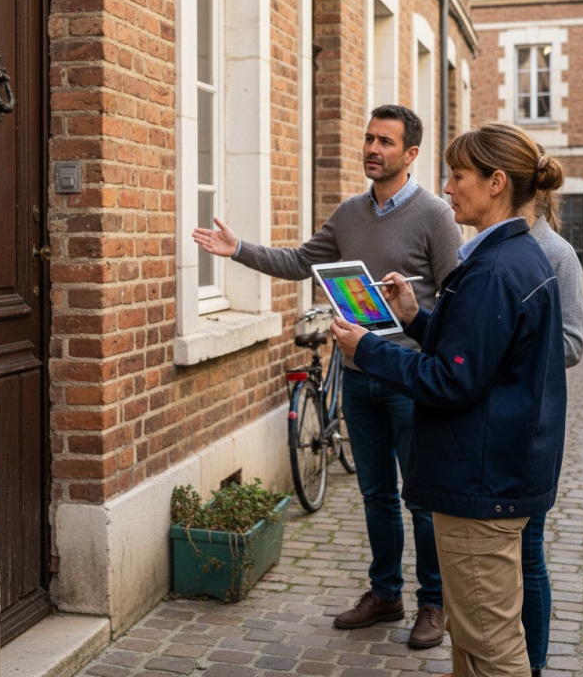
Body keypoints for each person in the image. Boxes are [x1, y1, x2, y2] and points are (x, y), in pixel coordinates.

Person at [192, 105, 463, 647]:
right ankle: (386, 593)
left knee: (423, 497)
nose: (372, 149)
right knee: (376, 493)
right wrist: (237, 249)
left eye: (385, 141)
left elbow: (455, 299)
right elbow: (300, 262)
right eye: (368, 139)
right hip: (360, 376)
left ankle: (434, 604)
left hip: (412, 381)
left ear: (410, 154)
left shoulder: (436, 216)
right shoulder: (349, 215)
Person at [332, 122, 568, 677]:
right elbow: (477, 356)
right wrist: (416, 319)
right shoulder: (511, 259)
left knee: (490, 646)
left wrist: (368, 348)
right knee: (471, 639)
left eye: (458, 175)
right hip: (491, 475)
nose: (448, 186)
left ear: (496, 182)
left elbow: (450, 380)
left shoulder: (495, 270)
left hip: (479, 485)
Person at [520, 178, 583, 677]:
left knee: (528, 553)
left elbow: (572, 343)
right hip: (488, 424)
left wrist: (506, 347)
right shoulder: (481, 246)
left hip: (531, 423)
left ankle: (535, 662)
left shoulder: (556, 253)